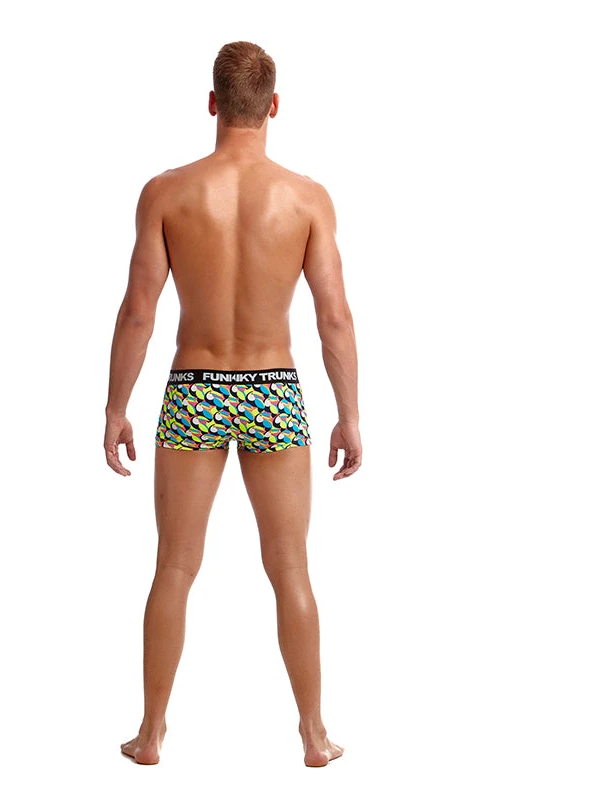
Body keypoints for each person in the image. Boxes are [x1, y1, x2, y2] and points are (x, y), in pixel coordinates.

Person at [105, 40, 361, 767]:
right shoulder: (307, 198)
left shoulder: (166, 192)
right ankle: (314, 736)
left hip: (194, 388)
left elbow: (138, 311)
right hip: (273, 389)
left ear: (213, 102)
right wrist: (348, 413)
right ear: (273, 105)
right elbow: (335, 318)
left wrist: (115, 407)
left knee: (174, 567)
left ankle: (151, 734)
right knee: (290, 568)